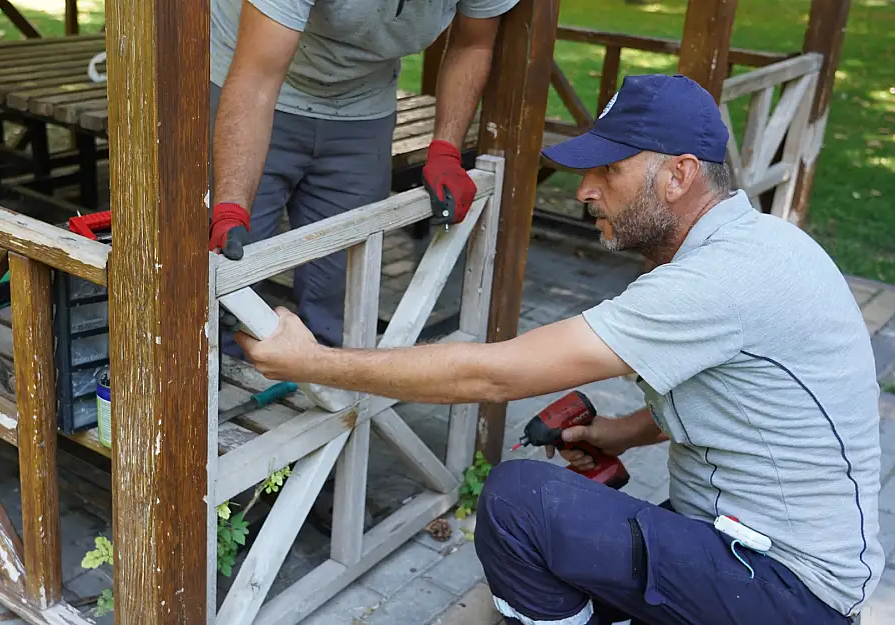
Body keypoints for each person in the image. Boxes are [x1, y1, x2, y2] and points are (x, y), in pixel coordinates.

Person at [233, 73, 883, 625]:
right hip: (767, 551)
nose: (584, 189)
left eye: (609, 169)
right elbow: (737, 399)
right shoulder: (756, 242)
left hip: (787, 585)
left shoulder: (716, 281)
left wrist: (310, 360)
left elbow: (494, 376)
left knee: (518, 501)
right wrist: (621, 433)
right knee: (576, 539)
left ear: (679, 175)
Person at [208, 0, 518, 354]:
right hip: (254, 81)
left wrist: (446, 149)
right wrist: (230, 205)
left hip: (363, 104)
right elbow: (256, 80)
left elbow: (472, 44)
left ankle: (322, 391)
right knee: (231, 276)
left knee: (343, 285)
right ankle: (214, 392)